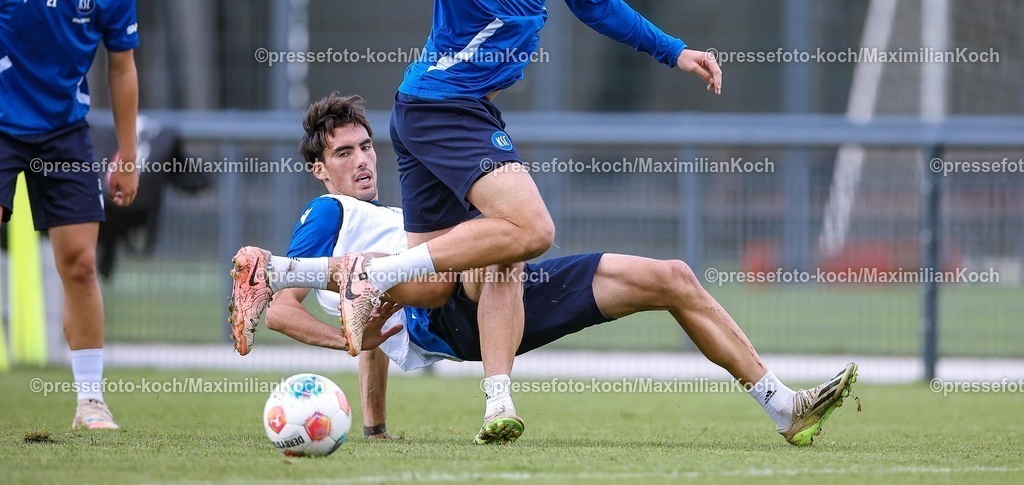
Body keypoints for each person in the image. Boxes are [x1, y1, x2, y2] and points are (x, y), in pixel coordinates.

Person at [269, 0, 724, 443]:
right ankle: (372, 274)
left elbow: (593, 1)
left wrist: (673, 51)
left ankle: (283, 276)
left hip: (461, 108)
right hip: (439, 105)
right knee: (532, 228)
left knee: (433, 285)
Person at [231, 93, 859, 446]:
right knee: (492, 246)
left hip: (493, 299)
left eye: (366, 146)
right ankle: (278, 269)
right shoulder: (328, 209)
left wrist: (374, 427)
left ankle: (784, 406)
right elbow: (292, 316)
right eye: (344, 153)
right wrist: (362, 335)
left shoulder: (396, 211)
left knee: (672, 277)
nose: (362, 160)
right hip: (446, 313)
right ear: (321, 169)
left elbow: (369, 322)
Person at [0, 0, 140, 429]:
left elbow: (122, 70)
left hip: (64, 133)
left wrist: (126, 154)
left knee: (79, 264)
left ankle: (89, 401)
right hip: (2, 125)